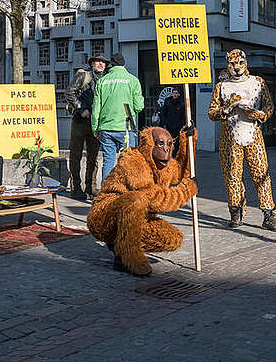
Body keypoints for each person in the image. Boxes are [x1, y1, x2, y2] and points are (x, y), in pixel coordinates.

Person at [87, 126, 197, 276]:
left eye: (169, 144)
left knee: (172, 238)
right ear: (149, 144)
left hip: (135, 219)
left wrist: (187, 142)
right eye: (160, 143)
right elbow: (154, 199)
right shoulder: (133, 162)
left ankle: (119, 244)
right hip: (104, 216)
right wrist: (185, 191)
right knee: (137, 199)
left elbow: (180, 173)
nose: (165, 149)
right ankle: (128, 256)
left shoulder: (164, 164)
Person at [207, 49, 276, 232]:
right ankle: (236, 212)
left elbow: (269, 107)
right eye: (232, 64)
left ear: (246, 63)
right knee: (232, 176)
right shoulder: (221, 86)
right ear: (227, 64)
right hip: (230, 138)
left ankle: (269, 215)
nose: (236, 68)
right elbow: (212, 113)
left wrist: (261, 114)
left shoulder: (258, 82)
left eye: (240, 63)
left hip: (253, 136)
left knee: (261, 175)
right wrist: (228, 107)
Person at [91, 53, 144, 182]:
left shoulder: (102, 81)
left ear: (111, 66)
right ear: (124, 65)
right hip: (126, 127)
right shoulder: (132, 80)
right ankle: (126, 193)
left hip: (106, 128)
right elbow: (139, 106)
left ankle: (106, 194)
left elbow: (96, 108)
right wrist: (128, 109)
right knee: (128, 162)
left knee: (108, 161)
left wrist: (95, 129)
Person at [64, 54, 107, 200]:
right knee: (75, 156)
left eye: (103, 62)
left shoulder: (106, 79)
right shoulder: (84, 76)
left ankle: (91, 187)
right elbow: (69, 93)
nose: (100, 64)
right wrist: (81, 108)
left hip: (96, 123)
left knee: (93, 156)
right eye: (97, 61)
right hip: (79, 121)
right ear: (92, 63)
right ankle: (76, 188)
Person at [158, 87, 186, 156]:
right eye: (173, 93)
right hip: (169, 126)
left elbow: (184, 115)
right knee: (169, 141)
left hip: (178, 127)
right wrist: (165, 122)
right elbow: (163, 113)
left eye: (176, 93)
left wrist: (182, 124)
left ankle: (175, 155)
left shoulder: (182, 103)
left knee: (177, 143)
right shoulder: (168, 102)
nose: (174, 95)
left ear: (179, 94)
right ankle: (169, 155)